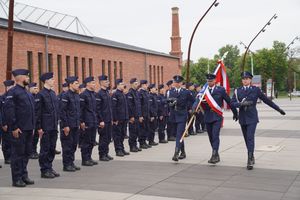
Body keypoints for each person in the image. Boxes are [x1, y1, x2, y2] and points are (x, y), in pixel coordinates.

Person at [231, 71, 286, 170]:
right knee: (246, 139)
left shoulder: (255, 90)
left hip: (252, 118)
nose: (245, 80)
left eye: (247, 78)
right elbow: (232, 103)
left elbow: (267, 100)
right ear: (242, 80)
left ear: (250, 80)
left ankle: (250, 158)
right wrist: (241, 104)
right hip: (243, 118)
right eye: (243, 79)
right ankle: (251, 154)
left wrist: (278, 109)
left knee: (250, 137)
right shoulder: (237, 90)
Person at [4, 69, 35, 187]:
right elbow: (9, 111)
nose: (28, 78)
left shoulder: (26, 92)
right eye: (27, 76)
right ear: (20, 77)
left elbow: (31, 111)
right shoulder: (13, 92)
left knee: (26, 153)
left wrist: (32, 127)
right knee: (17, 154)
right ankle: (16, 178)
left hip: (28, 128)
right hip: (19, 129)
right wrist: (14, 127)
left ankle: (23, 175)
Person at [198, 74, 238, 164]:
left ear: (215, 80)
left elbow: (229, 101)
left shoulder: (220, 90)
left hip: (217, 116)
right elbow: (198, 101)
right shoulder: (204, 91)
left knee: (215, 135)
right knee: (211, 137)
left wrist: (235, 112)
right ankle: (216, 154)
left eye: (211, 81)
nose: (209, 82)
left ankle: (214, 154)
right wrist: (193, 109)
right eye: (208, 81)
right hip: (207, 116)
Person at [35, 72, 60, 178]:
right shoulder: (40, 95)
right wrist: (39, 127)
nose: (53, 81)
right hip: (45, 127)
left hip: (53, 126)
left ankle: (49, 167)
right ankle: (44, 169)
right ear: (46, 81)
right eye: (51, 79)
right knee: (45, 148)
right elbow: (37, 113)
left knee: (52, 148)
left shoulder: (53, 93)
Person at [168, 75, 194, 161]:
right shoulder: (171, 91)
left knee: (179, 134)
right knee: (178, 135)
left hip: (182, 115)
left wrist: (190, 108)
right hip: (173, 116)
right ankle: (183, 152)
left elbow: (192, 101)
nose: (176, 84)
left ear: (181, 83)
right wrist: (169, 103)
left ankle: (176, 153)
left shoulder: (186, 92)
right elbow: (166, 101)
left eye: (178, 82)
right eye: (175, 82)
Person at [60, 76, 81, 172]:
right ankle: (66, 164)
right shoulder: (65, 95)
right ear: (70, 84)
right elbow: (62, 111)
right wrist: (65, 125)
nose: (78, 85)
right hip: (68, 125)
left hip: (75, 124)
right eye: (76, 83)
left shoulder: (76, 95)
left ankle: (71, 162)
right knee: (67, 146)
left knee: (73, 145)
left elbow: (77, 111)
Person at [79, 76, 98, 166]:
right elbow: (81, 109)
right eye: (93, 83)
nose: (94, 84)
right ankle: (85, 159)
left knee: (91, 141)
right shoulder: (83, 95)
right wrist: (82, 121)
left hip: (93, 120)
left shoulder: (93, 94)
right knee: (85, 141)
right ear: (88, 84)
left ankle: (89, 157)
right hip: (86, 121)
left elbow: (95, 109)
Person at [96, 75, 113, 161]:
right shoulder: (99, 94)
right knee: (103, 138)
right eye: (106, 82)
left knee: (108, 138)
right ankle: (102, 155)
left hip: (108, 119)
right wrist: (101, 120)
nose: (108, 83)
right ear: (102, 82)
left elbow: (109, 107)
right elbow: (98, 109)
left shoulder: (107, 93)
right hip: (103, 120)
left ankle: (106, 153)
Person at [111, 79, 130, 157]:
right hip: (118, 119)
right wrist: (115, 119)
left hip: (124, 118)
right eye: (121, 84)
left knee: (122, 135)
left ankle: (122, 148)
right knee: (117, 135)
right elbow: (114, 108)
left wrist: (126, 117)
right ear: (118, 85)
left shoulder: (123, 94)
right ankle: (118, 150)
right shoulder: (115, 95)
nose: (123, 86)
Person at [1, 80, 15, 165]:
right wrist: (3, 123)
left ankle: (12, 157)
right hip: (5, 123)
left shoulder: (15, 96)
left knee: (13, 141)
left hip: (13, 122)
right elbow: (1, 112)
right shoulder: (2, 97)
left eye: (11, 86)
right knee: (6, 141)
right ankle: (7, 157)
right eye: (8, 87)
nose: (9, 88)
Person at [127, 78, 143, 152]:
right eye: (135, 84)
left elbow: (139, 106)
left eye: (137, 84)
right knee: (132, 132)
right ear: (131, 84)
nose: (137, 85)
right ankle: (132, 146)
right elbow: (130, 106)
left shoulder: (136, 92)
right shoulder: (130, 93)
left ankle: (135, 145)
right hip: (133, 116)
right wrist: (131, 116)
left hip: (137, 116)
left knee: (137, 131)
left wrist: (140, 116)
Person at [138, 80, 151, 149]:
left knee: (146, 128)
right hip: (142, 114)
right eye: (146, 85)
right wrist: (140, 115)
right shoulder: (140, 93)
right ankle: (141, 143)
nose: (147, 86)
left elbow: (147, 105)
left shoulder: (146, 93)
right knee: (142, 129)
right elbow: (139, 105)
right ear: (142, 85)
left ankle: (144, 142)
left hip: (146, 114)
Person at [28, 82, 39, 159]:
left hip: (37, 121)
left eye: (36, 88)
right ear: (30, 89)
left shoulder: (37, 97)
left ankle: (34, 151)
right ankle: (30, 152)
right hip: (30, 121)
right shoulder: (28, 96)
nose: (36, 89)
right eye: (34, 88)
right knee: (30, 138)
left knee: (36, 137)